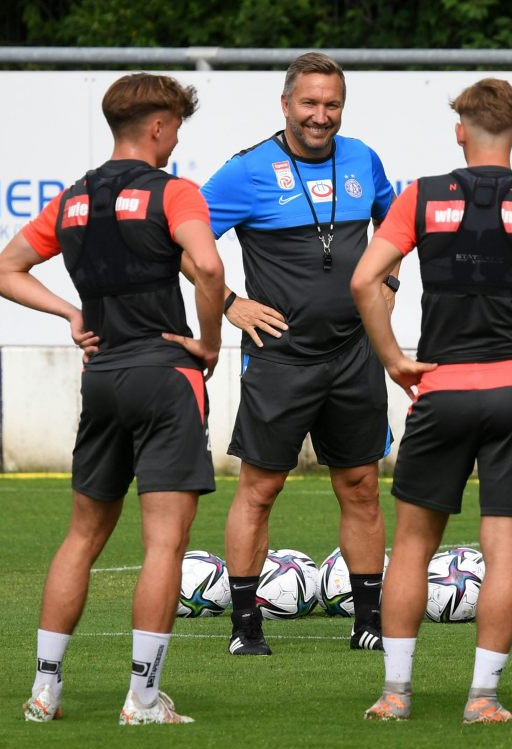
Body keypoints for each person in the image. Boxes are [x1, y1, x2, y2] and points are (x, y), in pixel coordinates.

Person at [352, 78, 512, 722]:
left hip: (441, 389)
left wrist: (394, 361)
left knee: (412, 547)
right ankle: (483, 698)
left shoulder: (421, 196)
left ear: (459, 132)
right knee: (506, 552)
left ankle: (395, 694)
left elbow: (362, 280)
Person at [0, 73, 224, 725]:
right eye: (175, 126)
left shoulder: (74, 199)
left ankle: (44, 692)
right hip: (166, 375)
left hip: (104, 376)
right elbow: (207, 266)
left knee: (82, 537)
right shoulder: (174, 192)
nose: (176, 138)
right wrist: (210, 342)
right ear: (156, 127)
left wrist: (69, 313)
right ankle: (143, 699)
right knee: (163, 546)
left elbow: (1, 269)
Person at [200, 52, 394, 656]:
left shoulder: (362, 158)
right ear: (286, 104)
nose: (321, 116)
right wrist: (229, 300)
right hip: (280, 358)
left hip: (353, 353)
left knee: (361, 484)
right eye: (309, 103)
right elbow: (179, 237)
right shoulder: (247, 170)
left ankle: (369, 621)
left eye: (331, 104)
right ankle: (245, 626)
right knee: (260, 489)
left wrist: (388, 282)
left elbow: (394, 223)